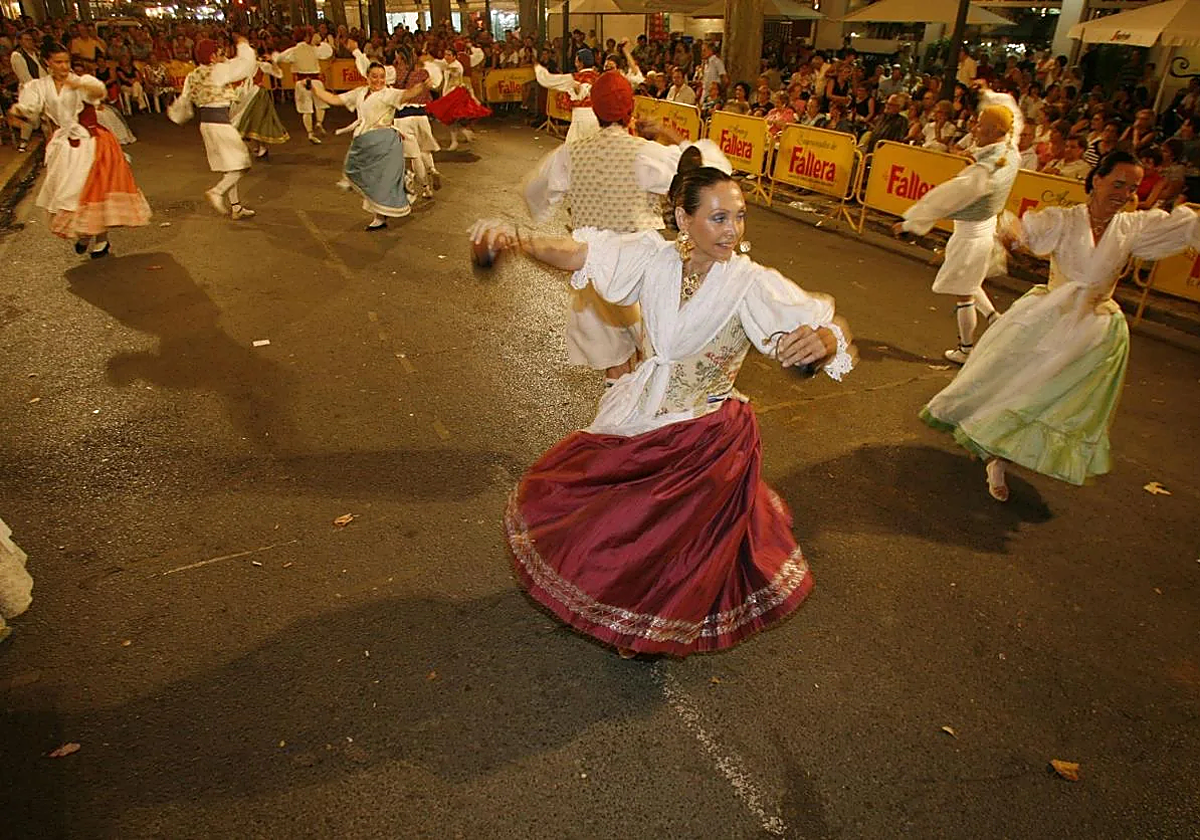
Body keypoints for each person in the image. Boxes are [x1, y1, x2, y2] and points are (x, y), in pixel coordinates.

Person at [472, 151, 856, 658]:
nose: (732, 230)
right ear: (684, 219)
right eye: (719, 218)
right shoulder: (653, 258)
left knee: (676, 544)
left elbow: (828, 323)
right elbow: (581, 254)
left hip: (706, 434)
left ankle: (652, 623)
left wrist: (825, 340)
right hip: (643, 412)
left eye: (739, 217)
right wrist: (520, 242)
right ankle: (631, 609)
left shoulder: (750, 282)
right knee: (620, 524)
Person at [922, 151, 1199, 501]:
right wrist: (1009, 237)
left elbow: (1186, 227)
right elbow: (1025, 234)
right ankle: (996, 457)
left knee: (1055, 403)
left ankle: (1005, 451)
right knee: (1018, 389)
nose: (1124, 194)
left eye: (1131, 188)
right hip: (1047, 320)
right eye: (1117, 183)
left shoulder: (1134, 226)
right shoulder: (1064, 220)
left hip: (1095, 331)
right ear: (1096, 180)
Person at [522, 70, 717, 384]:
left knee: (616, 365)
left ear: (594, 109)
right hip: (640, 271)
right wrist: (666, 132)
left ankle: (619, 425)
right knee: (651, 358)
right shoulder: (645, 153)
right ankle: (642, 426)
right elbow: (702, 170)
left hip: (595, 268)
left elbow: (535, 192)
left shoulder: (570, 154)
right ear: (631, 109)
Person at [893, 90, 1022, 364]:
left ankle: (965, 349)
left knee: (964, 294)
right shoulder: (1011, 149)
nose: (975, 128)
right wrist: (990, 94)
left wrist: (911, 224)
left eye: (980, 125)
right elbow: (1012, 117)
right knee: (971, 282)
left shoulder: (983, 172)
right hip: (986, 229)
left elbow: (942, 200)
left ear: (993, 130)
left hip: (970, 235)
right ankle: (994, 319)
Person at [7, 41, 150, 256]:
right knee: (72, 193)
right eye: (58, 62)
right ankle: (85, 233)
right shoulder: (38, 86)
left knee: (94, 190)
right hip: (64, 144)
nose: (64, 66)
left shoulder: (81, 82)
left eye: (66, 61)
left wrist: (82, 86)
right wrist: (19, 112)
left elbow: (98, 93)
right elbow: (30, 108)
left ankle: (100, 238)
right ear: (48, 62)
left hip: (93, 141)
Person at [306, 63, 428, 230]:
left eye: (382, 77)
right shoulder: (360, 93)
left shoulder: (389, 94)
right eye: (374, 76)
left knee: (381, 181)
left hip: (385, 142)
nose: (378, 80)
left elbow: (407, 94)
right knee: (363, 174)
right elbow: (334, 99)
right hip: (365, 141)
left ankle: (380, 216)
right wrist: (314, 88)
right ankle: (382, 209)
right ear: (367, 77)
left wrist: (421, 87)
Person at [169, 37, 259, 221]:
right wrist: (242, 44)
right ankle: (217, 191)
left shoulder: (192, 75)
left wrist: (176, 116)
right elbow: (246, 65)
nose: (223, 55)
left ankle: (236, 207)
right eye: (219, 53)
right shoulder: (218, 71)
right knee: (242, 164)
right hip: (220, 124)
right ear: (212, 57)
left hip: (207, 124)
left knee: (229, 165)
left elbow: (183, 103)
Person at [426, 44, 492, 150]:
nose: (446, 57)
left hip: (455, 94)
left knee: (453, 118)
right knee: (452, 119)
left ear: (454, 56)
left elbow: (449, 71)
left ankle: (458, 137)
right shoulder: (448, 63)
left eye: (449, 55)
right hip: (449, 93)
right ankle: (461, 135)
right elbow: (439, 64)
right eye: (445, 54)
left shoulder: (456, 66)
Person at [272, 32, 333, 144]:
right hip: (315, 80)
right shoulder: (315, 49)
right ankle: (319, 122)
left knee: (306, 109)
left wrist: (274, 55)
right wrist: (321, 43)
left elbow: (280, 58)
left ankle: (310, 133)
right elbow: (328, 52)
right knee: (321, 105)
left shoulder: (294, 50)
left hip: (302, 82)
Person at [231, 48, 289, 159]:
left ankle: (261, 147)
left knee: (259, 120)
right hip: (243, 95)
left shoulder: (261, 65)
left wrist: (272, 62)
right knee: (244, 121)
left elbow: (279, 74)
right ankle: (253, 147)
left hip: (257, 94)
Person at [535, 46, 599, 143]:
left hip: (580, 119)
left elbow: (549, 80)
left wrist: (538, 68)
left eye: (576, 60)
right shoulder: (599, 77)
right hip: (596, 119)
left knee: (573, 149)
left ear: (580, 63)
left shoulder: (574, 78)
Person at [9, 29, 44, 152]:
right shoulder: (17, 55)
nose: (29, 42)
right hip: (29, 89)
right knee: (31, 118)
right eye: (26, 40)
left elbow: (44, 70)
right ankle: (23, 142)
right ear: (20, 41)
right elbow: (25, 77)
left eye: (31, 39)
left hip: (43, 87)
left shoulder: (36, 53)